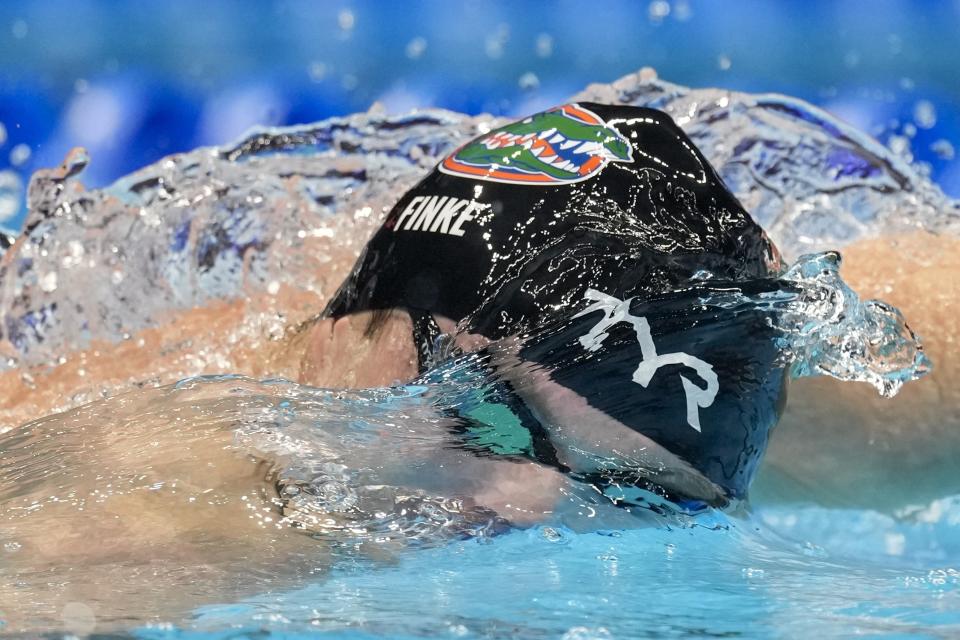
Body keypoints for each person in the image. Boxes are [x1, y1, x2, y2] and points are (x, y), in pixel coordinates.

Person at [297, 102, 808, 510]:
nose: (531, 508)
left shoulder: (842, 437)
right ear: (354, 321)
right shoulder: (227, 531)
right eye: (491, 422)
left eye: (633, 493)